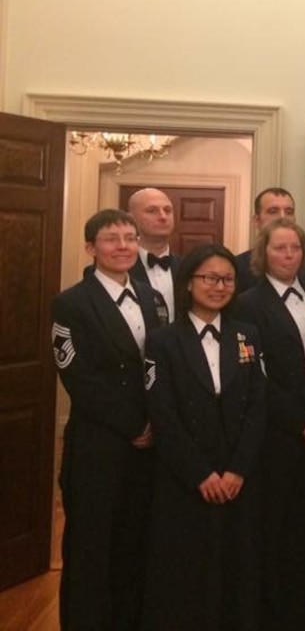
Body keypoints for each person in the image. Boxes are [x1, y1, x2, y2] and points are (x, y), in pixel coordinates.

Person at [51, 209, 166, 631]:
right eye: (111, 239)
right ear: (90, 248)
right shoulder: (71, 303)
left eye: (130, 238)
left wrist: (157, 423)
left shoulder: (150, 297)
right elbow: (79, 379)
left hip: (149, 446)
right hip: (100, 446)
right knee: (90, 551)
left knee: (134, 546)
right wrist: (134, 425)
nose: (123, 247)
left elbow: (159, 365)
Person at [142, 244, 266, 631]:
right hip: (186, 478)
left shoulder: (248, 335)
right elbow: (163, 414)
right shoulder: (163, 340)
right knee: (186, 571)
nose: (219, 286)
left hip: (236, 476)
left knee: (235, 567)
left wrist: (237, 470)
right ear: (189, 283)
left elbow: (258, 409)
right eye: (209, 278)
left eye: (227, 279)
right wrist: (200, 474)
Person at [234, 219, 305, 631]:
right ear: (263, 254)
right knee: (278, 521)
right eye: (279, 248)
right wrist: (298, 419)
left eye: (295, 248)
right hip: (277, 423)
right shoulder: (247, 303)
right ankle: (274, 613)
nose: (289, 255)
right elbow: (254, 376)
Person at [235, 188, 305, 293]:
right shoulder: (237, 269)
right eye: (273, 211)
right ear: (256, 220)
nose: (282, 217)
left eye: (289, 212)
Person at [128, 186, 178, 320]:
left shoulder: (189, 268)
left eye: (167, 210)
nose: (163, 216)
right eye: (152, 211)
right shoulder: (119, 270)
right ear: (131, 219)